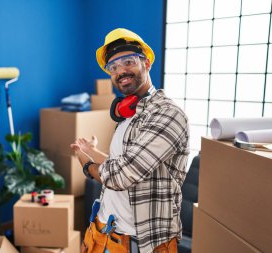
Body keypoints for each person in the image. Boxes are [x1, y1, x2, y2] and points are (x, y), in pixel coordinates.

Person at [70, 28, 190, 253]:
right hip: (105, 232)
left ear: (146, 63)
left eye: (128, 61)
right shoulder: (128, 115)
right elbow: (125, 163)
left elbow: (122, 175)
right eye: (113, 67)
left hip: (142, 242)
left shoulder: (168, 115)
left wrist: (86, 163)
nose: (120, 71)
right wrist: (93, 152)